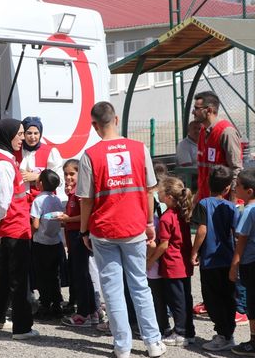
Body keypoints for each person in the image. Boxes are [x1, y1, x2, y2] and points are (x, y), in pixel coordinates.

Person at [76, 101, 166, 358]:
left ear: (94, 125)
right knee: (140, 285)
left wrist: (83, 231)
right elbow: (150, 191)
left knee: (112, 289)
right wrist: (149, 224)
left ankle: (122, 346)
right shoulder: (140, 149)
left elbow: (86, 199)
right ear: (116, 119)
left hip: (104, 230)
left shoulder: (90, 156)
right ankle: (152, 342)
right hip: (135, 227)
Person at [0, 118, 38, 340]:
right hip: (15, 226)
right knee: (19, 278)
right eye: (20, 134)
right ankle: (23, 328)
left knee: (4, 274)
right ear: (6, 136)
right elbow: (4, 199)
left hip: (9, 226)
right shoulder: (4, 163)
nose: (22, 138)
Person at [190, 165, 239, 351]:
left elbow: (202, 230)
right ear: (227, 188)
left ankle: (222, 334)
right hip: (227, 259)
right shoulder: (232, 207)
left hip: (210, 260)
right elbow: (236, 232)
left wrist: (194, 251)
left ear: (208, 184)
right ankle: (228, 333)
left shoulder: (203, 204)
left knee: (212, 299)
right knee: (228, 297)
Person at [149, 176, 195, 347]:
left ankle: (180, 332)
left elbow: (163, 245)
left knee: (176, 301)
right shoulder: (182, 214)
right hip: (183, 263)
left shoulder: (166, 217)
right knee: (185, 298)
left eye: (160, 191)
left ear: (168, 196)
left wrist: (150, 260)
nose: (157, 194)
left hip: (172, 265)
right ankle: (188, 331)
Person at [230, 170, 255, 356]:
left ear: (249, 190)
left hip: (251, 261)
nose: (234, 188)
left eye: (237, 185)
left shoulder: (248, 211)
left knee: (253, 303)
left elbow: (241, 242)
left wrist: (234, 265)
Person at [60, 159, 100, 327]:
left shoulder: (80, 193)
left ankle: (84, 314)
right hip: (73, 236)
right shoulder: (72, 193)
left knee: (81, 276)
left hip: (79, 236)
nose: (68, 177)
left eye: (72, 174)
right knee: (81, 275)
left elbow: (86, 215)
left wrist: (68, 219)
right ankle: (92, 312)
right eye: (66, 174)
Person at [192, 91, 242, 203]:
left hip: (223, 202)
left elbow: (236, 169)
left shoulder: (227, 132)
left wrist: (232, 202)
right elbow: (204, 171)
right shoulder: (203, 131)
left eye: (196, 108)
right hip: (206, 199)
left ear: (209, 110)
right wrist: (197, 198)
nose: (193, 112)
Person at [30, 169, 65, 319]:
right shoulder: (56, 199)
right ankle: (57, 303)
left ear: (41, 183)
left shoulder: (38, 200)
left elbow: (36, 224)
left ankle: (45, 304)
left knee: (42, 275)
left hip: (41, 243)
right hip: (55, 242)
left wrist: (30, 235)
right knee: (54, 275)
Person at [144, 163, 173, 339]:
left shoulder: (155, 207)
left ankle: (161, 325)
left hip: (154, 259)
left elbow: (155, 242)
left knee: (156, 295)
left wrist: (149, 260)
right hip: (162, 258)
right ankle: (164, 322)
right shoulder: (165, 209)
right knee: (162, 293)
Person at [17, 116, 64, 198]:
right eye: (29, 133)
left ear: (40, 133)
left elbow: (60, 180)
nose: (32, 137)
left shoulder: (50, 152)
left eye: (36, 133)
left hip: (43, 201)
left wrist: (38, 177)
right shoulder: (16, 151)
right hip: (21, 201)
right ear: (23, 134)